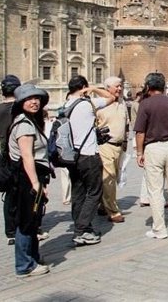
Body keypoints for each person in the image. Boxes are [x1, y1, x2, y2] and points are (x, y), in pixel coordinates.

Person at [134, 72, 168, 238]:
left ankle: (159, 228)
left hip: (153, 147)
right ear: (164, 87)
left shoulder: (145, 104)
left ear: (148, 87)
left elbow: (140, 132)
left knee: (155, 190)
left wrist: (139, 152)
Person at [65, 76, 115, 246]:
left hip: (72, 156)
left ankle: (82, 227)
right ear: (83, 87)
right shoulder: (87, 104)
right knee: (94, 192)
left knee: (78, 193)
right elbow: (111, 97)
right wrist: (93, 89)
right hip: (88, 155)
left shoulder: (65, 105)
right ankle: (81, 230)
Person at [8, 83, 52, 277]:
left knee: (33, 220)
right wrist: (35, 184)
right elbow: (27, 156)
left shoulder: (29, 121)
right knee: (27, 220)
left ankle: (32, 257)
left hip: (33, 177)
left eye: (37, 99)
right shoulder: (25, 125)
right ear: (20, 103)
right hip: (27, 178)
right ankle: (24, 265)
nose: (34, 102)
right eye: (29, 99)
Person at [0, 74, 22, 245]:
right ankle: (27, 226)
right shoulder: (18, 108)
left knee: (10, 194)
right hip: (18, 154)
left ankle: (10, 230)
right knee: (23, 192)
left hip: (5, 155)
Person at [96, 76, 129, 224]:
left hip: (119, 146)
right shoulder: (100, 104)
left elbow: (126, 124)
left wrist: (126, 141)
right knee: (108, 178)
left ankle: (103, 205)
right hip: (105, 145)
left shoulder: (122, 103)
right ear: (107, 88)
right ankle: (113, 211)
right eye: (117, 86)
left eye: (121, 86)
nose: (120, 89)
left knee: (113, 178)